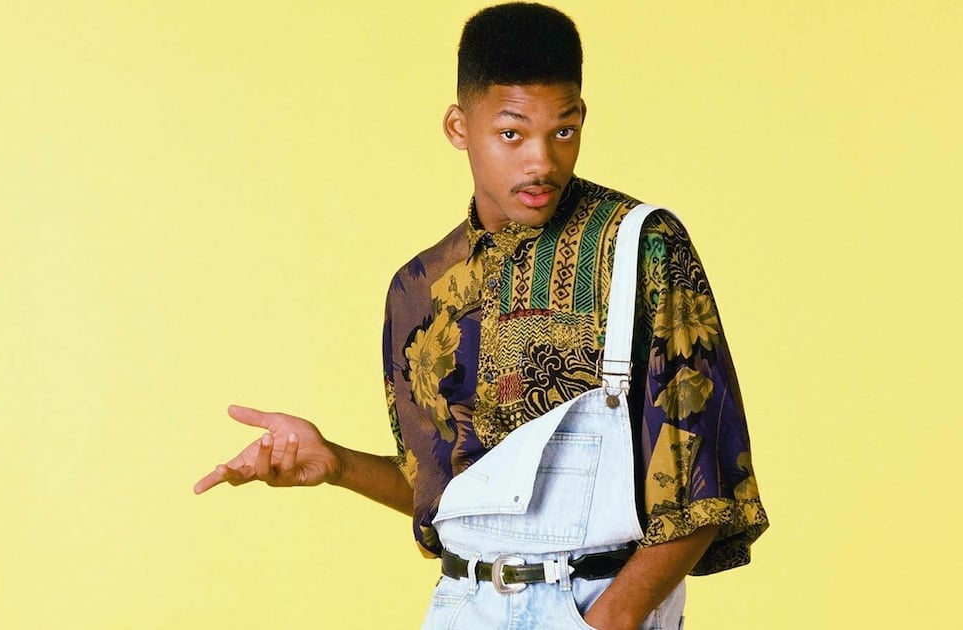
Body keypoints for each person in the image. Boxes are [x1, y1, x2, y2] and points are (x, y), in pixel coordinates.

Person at [193, 3, 768, 628]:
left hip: (593, 606)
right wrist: (335, 463)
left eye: (564, 130)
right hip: (464, 605)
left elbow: (705, 484)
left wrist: (610, 619)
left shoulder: (637, 248)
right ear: (458, 126)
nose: (542, 162)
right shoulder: (419, 289)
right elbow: (445, 498)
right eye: (512, 134)